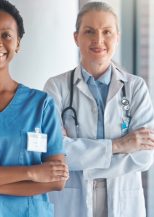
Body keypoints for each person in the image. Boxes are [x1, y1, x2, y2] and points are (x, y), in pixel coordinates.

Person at [0, 1, 69, 216]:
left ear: (18, 43)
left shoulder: (41, 105)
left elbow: (57, 180)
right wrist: (32, 172)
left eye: (6, 35)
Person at [44, 2, 154, 217]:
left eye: (107, 32)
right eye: (89, 31)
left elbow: (143, 157)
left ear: (118, 37)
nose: (99, 40)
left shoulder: (135, 87)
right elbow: (55, 153)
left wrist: (82, 161)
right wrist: (120, 145)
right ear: (76, 37)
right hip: (71, 202)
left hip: (124, 201)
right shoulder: (56, 87)